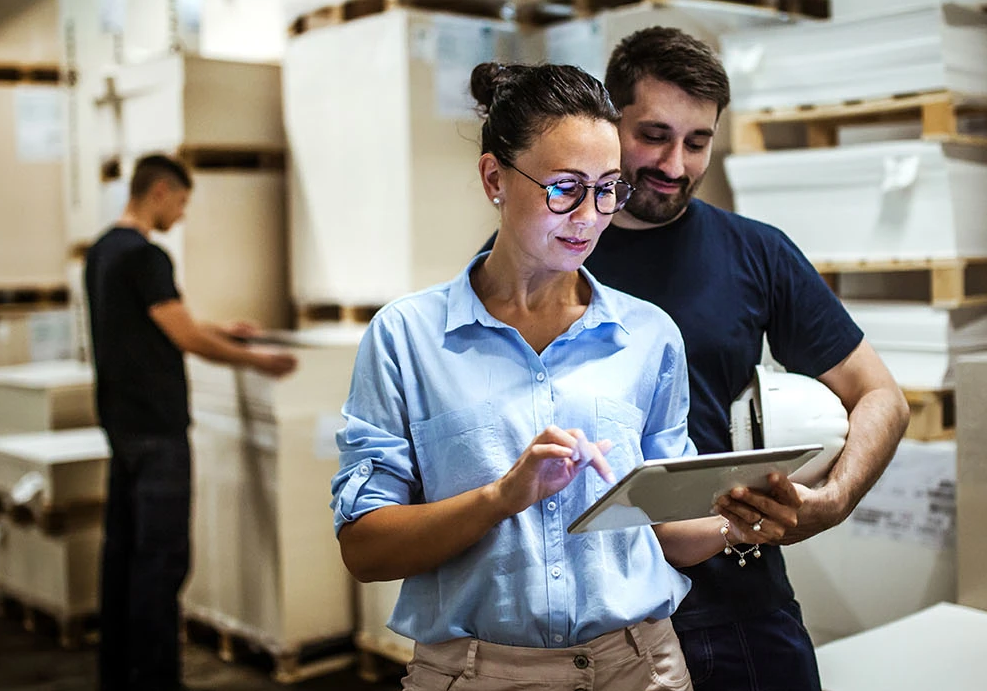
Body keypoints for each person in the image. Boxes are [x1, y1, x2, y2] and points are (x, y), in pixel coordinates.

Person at [330, 63, 774, 691]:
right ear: (495, 178)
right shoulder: (408, 338)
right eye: (565, 187)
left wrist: (742, 516)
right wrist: (502, 497)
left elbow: (667, 530)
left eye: (607, 189)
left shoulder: (648, 336)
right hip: (475, 673)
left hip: (641, 666)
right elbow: (366, 549)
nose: (589, 218)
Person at [495, 28, 912, 690]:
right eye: (654, 135)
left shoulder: (756, 252)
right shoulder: (546, 254)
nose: (676, 164)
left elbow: (880, 395)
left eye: (698, 142)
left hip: (734, 602)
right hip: (585, 615)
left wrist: (833, 499)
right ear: (611, 120)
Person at [84, 154, 298, 691]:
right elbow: (185, 338)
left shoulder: (103, 252)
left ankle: (118, 674)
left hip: (122, 426)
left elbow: (158, 322)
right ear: (159, 191)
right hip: (158, 431)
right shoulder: (145, 256)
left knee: (123, 557)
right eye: (180, 203)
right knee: (162, 562)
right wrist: (258, 360)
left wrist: (223, 327)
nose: (179, 216)